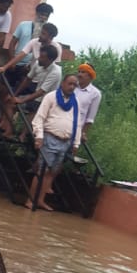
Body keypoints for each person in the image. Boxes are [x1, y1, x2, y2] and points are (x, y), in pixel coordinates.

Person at [27, 72, 82, 210]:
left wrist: (76, 143)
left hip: (65, 142)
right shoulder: (51, 97)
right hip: (50, 137)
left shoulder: (76, 102)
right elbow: (39, 118)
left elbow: (78, 123)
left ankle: (40, 200)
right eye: (69, 83)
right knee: (41, 171)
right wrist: (39, 136)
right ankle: (30, 200)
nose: (72, 87)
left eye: (75, 85)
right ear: (63, 83)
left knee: (52, 172)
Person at [0, 42, 62, 136]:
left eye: (42, 57)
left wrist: (21, 100)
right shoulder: (38, 63)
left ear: (50, 60)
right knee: (9, 100)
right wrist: (15, 95)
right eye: (40, 55)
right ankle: (8, 129)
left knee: (18, 105)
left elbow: (41, 92)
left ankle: (14, 133)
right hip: (37, 97)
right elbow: (27, 80)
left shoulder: (56, 72)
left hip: (46, 102)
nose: (39, 58)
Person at [74, 62, 102, 142]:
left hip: (77, 129)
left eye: (83, 72)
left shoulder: (95, 94)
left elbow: (90, 118)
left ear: (90, 75)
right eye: (79, 71)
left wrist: (83, 133)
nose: (79, 74)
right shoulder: (72, 86)